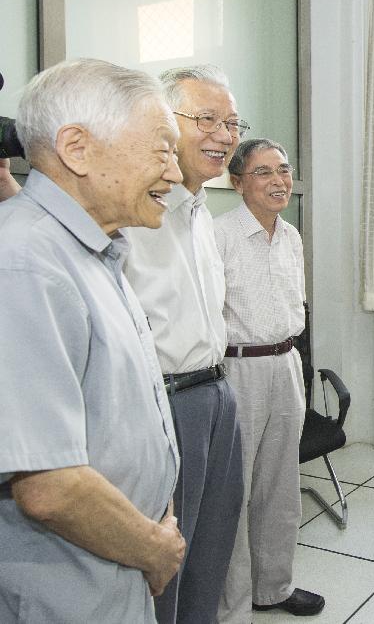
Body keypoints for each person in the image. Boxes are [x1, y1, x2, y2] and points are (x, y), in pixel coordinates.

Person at [0, 58, 184, 622]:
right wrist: (155, 549)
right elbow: (48, 485)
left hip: (114, 561)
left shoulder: (96, 251)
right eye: (162, 150)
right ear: (77, 148)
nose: (174, 174)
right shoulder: (28, 264)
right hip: (71, 586)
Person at [123, 64, 246, 624]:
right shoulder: (133, 215)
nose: (224, 135)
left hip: (218, 394)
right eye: (207, 120)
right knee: (164, 557)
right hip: (164, 403)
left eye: (232, 123)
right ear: (162, 125)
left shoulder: (199, 210)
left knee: (211, 549)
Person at [214, 138, 325, 620]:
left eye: (283, 169)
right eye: (263, 172)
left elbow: (293, 309)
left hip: (286, 363)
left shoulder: (292, 237)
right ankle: (233, 603)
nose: (279, 181)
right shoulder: (217, 237)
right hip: (237, 367)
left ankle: (273, 587)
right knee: (235, 490)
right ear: (237, 182)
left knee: (280, 486)